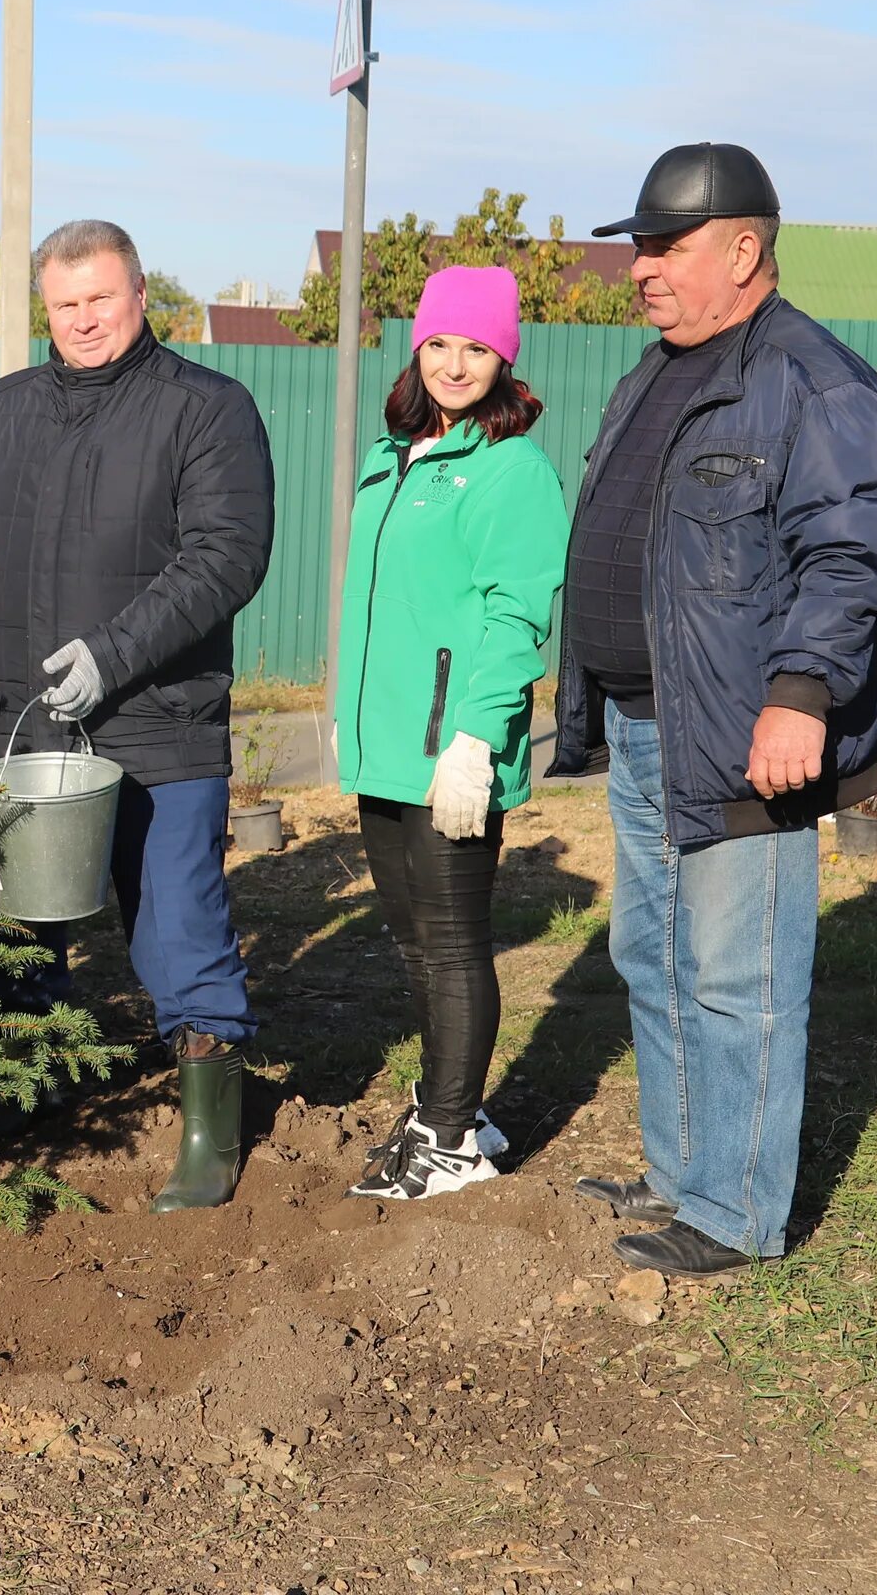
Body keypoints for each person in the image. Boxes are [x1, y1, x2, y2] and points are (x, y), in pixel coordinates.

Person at [553, 143, 877, 1278]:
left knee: (739, 973)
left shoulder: (812, 379)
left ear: (744, 248)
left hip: (745, 732)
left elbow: (849, 558)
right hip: (644, 726)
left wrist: (800, 699)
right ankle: (680, 1171)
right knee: (652, 955)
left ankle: (737, 1213)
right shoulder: (656, 371)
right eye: (641, 246)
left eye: (666, 246)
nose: (642, 268)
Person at [0, 219, 276, 1211]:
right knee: (20, 925)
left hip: (158, 723)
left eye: (101, 299)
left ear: (140, 295)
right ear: (47, 308)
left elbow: (225, 554)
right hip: (24, 729)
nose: (83, 319)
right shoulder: (7, 410)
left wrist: (114, 654)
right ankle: (19, 1082)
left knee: (178, 922)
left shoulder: (207, 409)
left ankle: (209, 1127)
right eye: (65, 304)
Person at [330, 267, 567, 1202]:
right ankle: (447, 1106)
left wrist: (476, 739)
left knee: (455, 943)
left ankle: (452, 1139)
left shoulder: (511, 468)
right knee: (413, 943)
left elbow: (516, 616)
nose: (455, 364)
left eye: (476, 347)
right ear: (417, 348)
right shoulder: (396, 455)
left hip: (449, 754)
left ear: (503, 357)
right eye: (439, 344)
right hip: (383, 748)